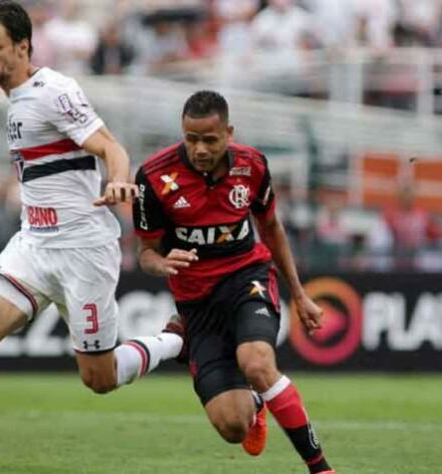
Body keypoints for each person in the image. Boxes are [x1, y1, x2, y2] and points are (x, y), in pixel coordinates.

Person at [0, 2, 184, 472]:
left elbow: (110, 146)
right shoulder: (15, 97)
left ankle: (178, 340)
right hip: (34, 244)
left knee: (101, 377)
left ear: (23, 46)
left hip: (82, 251)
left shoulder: (54, 90)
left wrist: (117, 179)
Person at [133, 90, 335, 474]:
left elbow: (271, 227)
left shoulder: (252, 166)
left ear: (228, 132)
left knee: (256, 363)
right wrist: (161, 263)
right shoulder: (154, 177)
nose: (200, 149)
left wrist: (301, 295)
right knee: (232, 426)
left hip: (248, 279)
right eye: (191, 139)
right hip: (196, 304)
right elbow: (145, 252)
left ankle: (321, 468)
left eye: (210, 139)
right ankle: (256, 406)